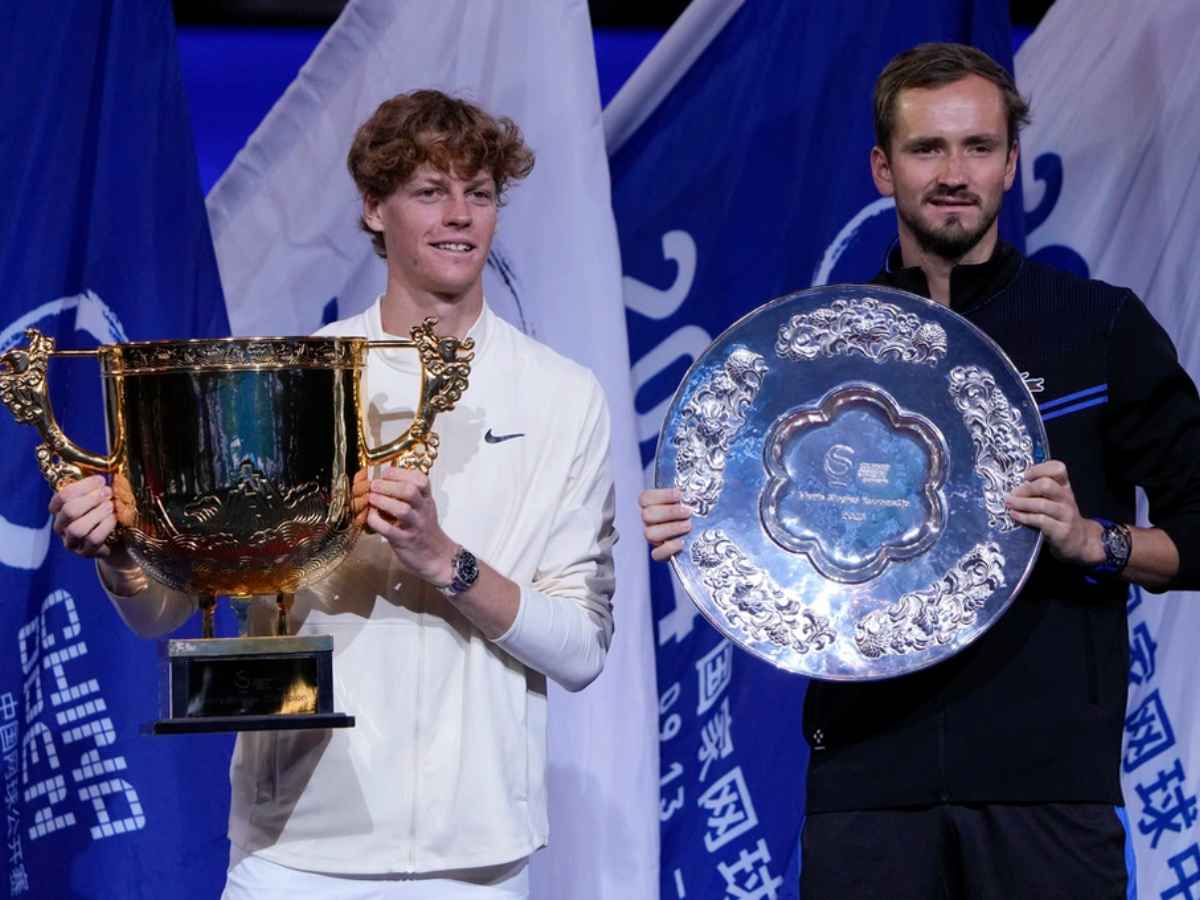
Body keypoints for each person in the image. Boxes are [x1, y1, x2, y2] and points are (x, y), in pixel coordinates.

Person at [642, 42, 1200, 899]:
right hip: (866, 786)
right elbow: (752, 522)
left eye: (978, 147)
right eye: (926, 149)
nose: (953, 173)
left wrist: (1097, 541)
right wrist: (702, 526)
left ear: (1011, 165)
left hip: (1045, 786)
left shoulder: (1099, 329)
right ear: (881, 167)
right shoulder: (810, 354)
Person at [50, 90, 617, 899]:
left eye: (480, 193)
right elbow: (172, 610)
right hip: (297, 855)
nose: (460, 215)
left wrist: (442, 558)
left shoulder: (563, 396)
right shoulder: (289, 375)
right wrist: (122, 555)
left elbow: (581, 649)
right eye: (430, 191)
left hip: (477, 862)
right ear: (374, 209)